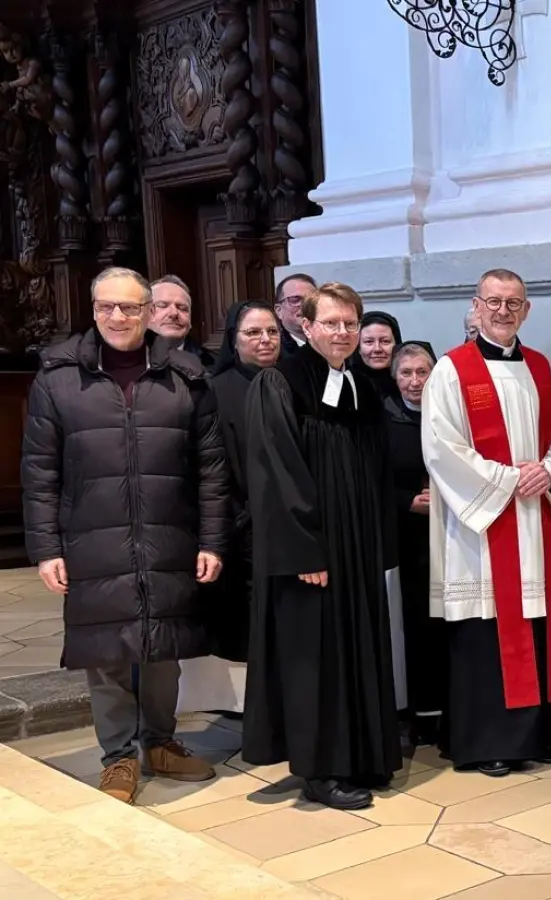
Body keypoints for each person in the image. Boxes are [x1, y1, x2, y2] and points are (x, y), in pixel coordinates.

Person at [22, 266, 227, 803]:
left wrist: (212, 540)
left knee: (163, 647)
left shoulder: (185, 376)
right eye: (107, 306)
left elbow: (211, 469)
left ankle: (159, 742)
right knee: (105, 650)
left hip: (169, 533)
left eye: (131, 307)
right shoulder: (58, 377)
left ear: (149, 311)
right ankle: (117, 756)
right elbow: (39, 470)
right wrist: (45, 548)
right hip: (92, 535)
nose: (118, 316)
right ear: (93, 310)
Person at [242, 281, 402, 811]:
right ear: (306, 326)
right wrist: (304, 550)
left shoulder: (362, 385)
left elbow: (377, 470)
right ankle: (320, 770)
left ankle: (363, 755)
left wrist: (378, 543)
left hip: (356, 546)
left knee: (357, 645)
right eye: (331, 323)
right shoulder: (279, 383)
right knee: (316, 656)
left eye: (350, 323)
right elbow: (276, 475)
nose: (343, 332)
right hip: (311, 551)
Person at [422, 268, 551, 777]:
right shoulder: (451, 370)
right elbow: (442, 447)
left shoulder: (540, 368)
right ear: (476, 306)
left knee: (538, 624)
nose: (503, 311)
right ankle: (488, 741)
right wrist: (508, 479)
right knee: (486, 631)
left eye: (513, 303)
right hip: (481, 531)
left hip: (535, 519)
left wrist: (550, 470)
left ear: (526, 310)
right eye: (493, 302)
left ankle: (541, 734)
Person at [177, 300, 283, 717]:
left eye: (272, 331)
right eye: (253, 333)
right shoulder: (217, 390)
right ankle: (259, 716)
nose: (265, 340)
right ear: (234, 340)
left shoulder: (293, 381)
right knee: (253, 629)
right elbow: (212, 467)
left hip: (293, 528)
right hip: (245, 530)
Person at [387, 340, 445, 747]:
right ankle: (422, 713)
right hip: (407, 538)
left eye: (422, 372)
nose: (414, 381)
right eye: (405, 373)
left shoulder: (449, 418)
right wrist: (407, 500)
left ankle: (454, 707)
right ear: (395, 379)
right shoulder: (384, 422)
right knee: (416, 626)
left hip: (451, 534)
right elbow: (372, 480)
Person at [150, 275, 217, 368]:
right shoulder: (130, 360)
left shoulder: (214, 364)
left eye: (182, 308)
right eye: (162, 306)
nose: (174, 313)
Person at [358, 311, 403, 402]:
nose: (377, 349)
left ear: (397, 345)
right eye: (369, 342)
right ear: (358, 347)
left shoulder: (413, 382)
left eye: (385, 341)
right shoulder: (344, 385)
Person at [274, 273, 316, 355]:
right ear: (279, 310)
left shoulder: (333, 342)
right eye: (295, 299)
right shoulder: (272, 350)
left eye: (311, 300)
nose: (305, 305)